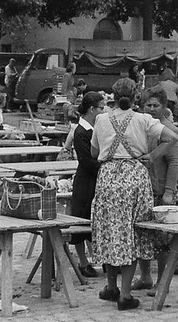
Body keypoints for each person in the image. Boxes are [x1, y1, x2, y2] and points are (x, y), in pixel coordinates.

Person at [91, 78, 178, 311]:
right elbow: (173, 137)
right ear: (136, 96)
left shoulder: (101, 119)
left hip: (108, 178)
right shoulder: (143, 119)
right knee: (133, 232)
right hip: (134, 177)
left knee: (111, 230)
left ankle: (111, 287)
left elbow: (94, 150)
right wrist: (152, 155)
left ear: (113, 95)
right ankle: (126, 295)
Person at [134, 86, 178, 294]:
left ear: (164, 107)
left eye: (156, 105)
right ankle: (145, 276)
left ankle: (163, 281)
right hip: (143, 190)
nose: (151, 109)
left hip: (162, 191)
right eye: (148, 105)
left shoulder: (168, 130)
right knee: (142, 235)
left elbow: (174, 164)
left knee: (163, 240)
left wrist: (169, 192)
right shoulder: (141, 127)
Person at [69, 91, 105, 278]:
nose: (103, 111)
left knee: (93, 222)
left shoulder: (94, 128)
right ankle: (83, 262)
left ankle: (95, 258)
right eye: (101, 108)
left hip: (95, 179)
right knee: (80, 220)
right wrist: (106, 168)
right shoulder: (80, 132)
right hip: (85, 180)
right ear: (92, 109)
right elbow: (86, 161)